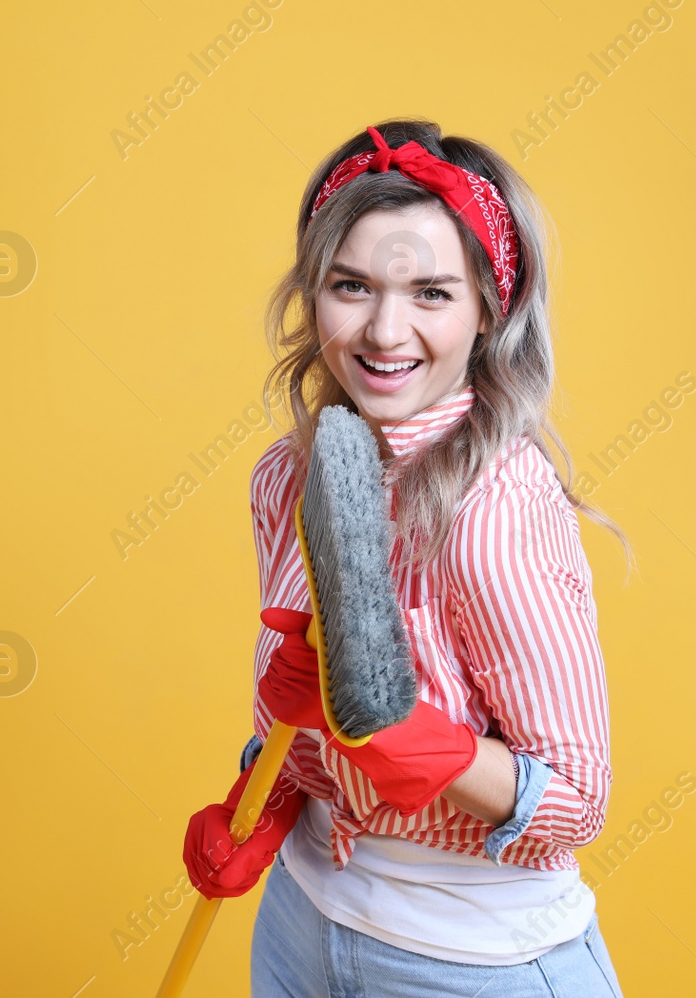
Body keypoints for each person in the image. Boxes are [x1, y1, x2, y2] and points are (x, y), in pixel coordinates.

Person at [181, 119, 633, 996]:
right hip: (303, 925)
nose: (385, 332)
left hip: (472, 963)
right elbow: (303, 731)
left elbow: (580, 796)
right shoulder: (288, 477)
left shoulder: (497, 508)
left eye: (431, 293)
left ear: (486, 308)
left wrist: (432, 749)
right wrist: (267, 799)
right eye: (352, 285)